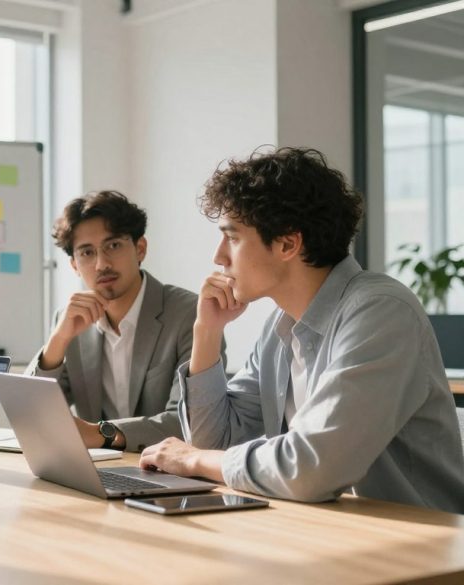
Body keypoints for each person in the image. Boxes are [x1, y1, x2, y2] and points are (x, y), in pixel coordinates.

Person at [138, 147, 464, 512]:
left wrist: (193, 461)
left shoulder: (381, 312)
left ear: (288, 244)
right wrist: (207, 333)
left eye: (232, 237)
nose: (218, 257)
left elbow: (311, 467)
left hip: (423, 547)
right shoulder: (280, 328)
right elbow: (215, 440)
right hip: (329, 533)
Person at [26, 190, 220, 452]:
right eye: (86, 253)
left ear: (140, 249)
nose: (101, 264)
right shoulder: (69, 320)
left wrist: (102, 434)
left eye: (113, 245)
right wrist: (58, 341)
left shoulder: (190, 314)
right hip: (95, 473)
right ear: (74, 266)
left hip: (169, 475)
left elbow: (190, 422)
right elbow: (32, 412)